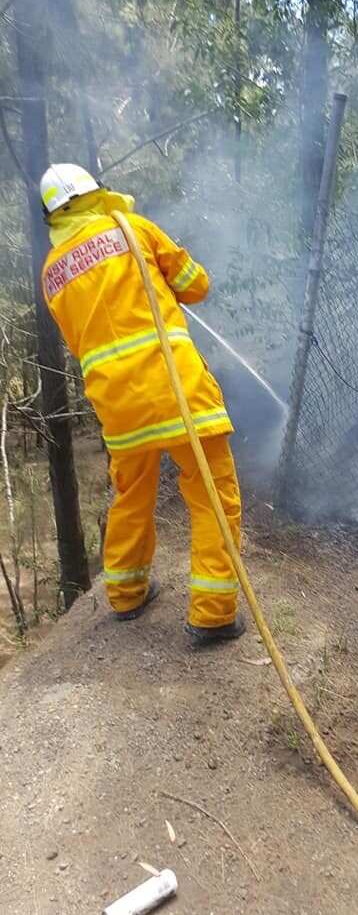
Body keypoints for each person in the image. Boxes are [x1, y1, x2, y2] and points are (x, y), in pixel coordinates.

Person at [39, 163, 245, 649]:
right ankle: (214, 614)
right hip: (176, 390)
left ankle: (126, 593)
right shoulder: (133, 229)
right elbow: (197, 285)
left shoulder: (53, 273)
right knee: (213, 495)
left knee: (131, 494)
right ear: (97, 193)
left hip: (118, 407)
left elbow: (80, 340)